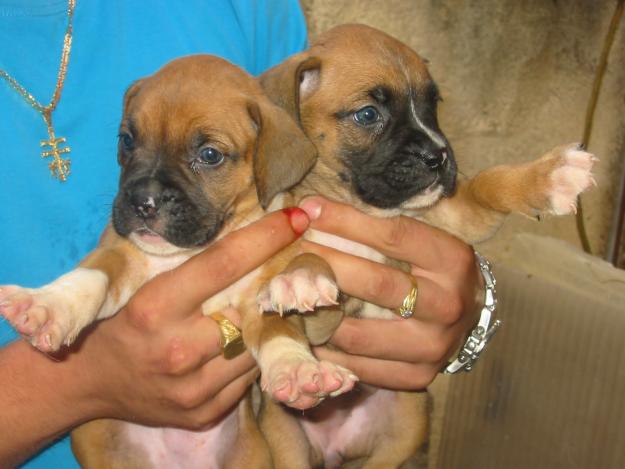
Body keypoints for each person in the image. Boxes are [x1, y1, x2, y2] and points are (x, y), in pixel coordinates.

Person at [0, 1, 482, 467]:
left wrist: (471, 309)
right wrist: (74, 381)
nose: (146, 197)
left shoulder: (247, 10)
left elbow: (315, 182)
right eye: (130, 143)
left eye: (209, 156)